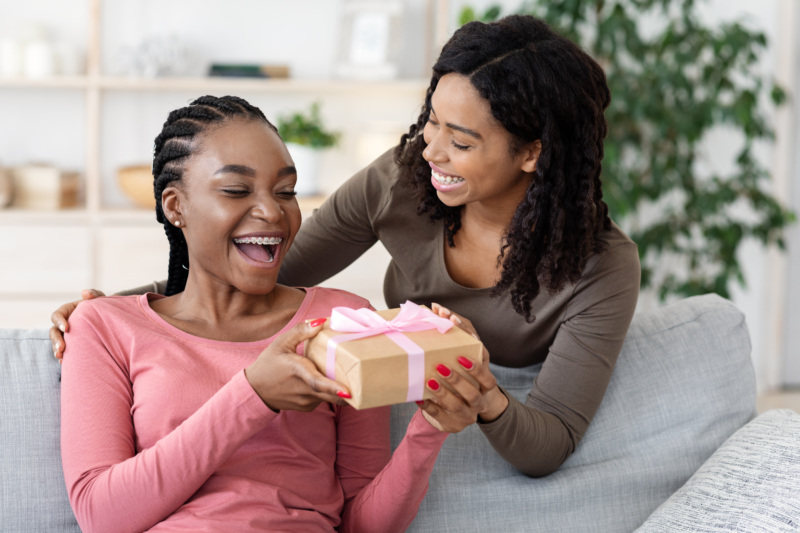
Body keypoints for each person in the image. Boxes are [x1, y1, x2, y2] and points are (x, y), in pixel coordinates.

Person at [52, 15, 640, 478]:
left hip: (491, 420)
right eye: (431, 121)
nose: (431, 150)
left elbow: (552, 440)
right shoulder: (405, 179)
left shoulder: (602, 266)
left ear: (532, 152)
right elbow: (271, 262)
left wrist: (481, 395)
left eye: (460, 141)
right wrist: (115, 310)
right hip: (378, 409)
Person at [59, 95, 482, 533]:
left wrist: (430, 427)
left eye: (286, 191)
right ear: (175, 206)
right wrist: (253, 396)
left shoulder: (342, 320)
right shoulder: (102, 326)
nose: (273, 212)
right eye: (237, 190)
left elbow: (361, 524)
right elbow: (101, 517)